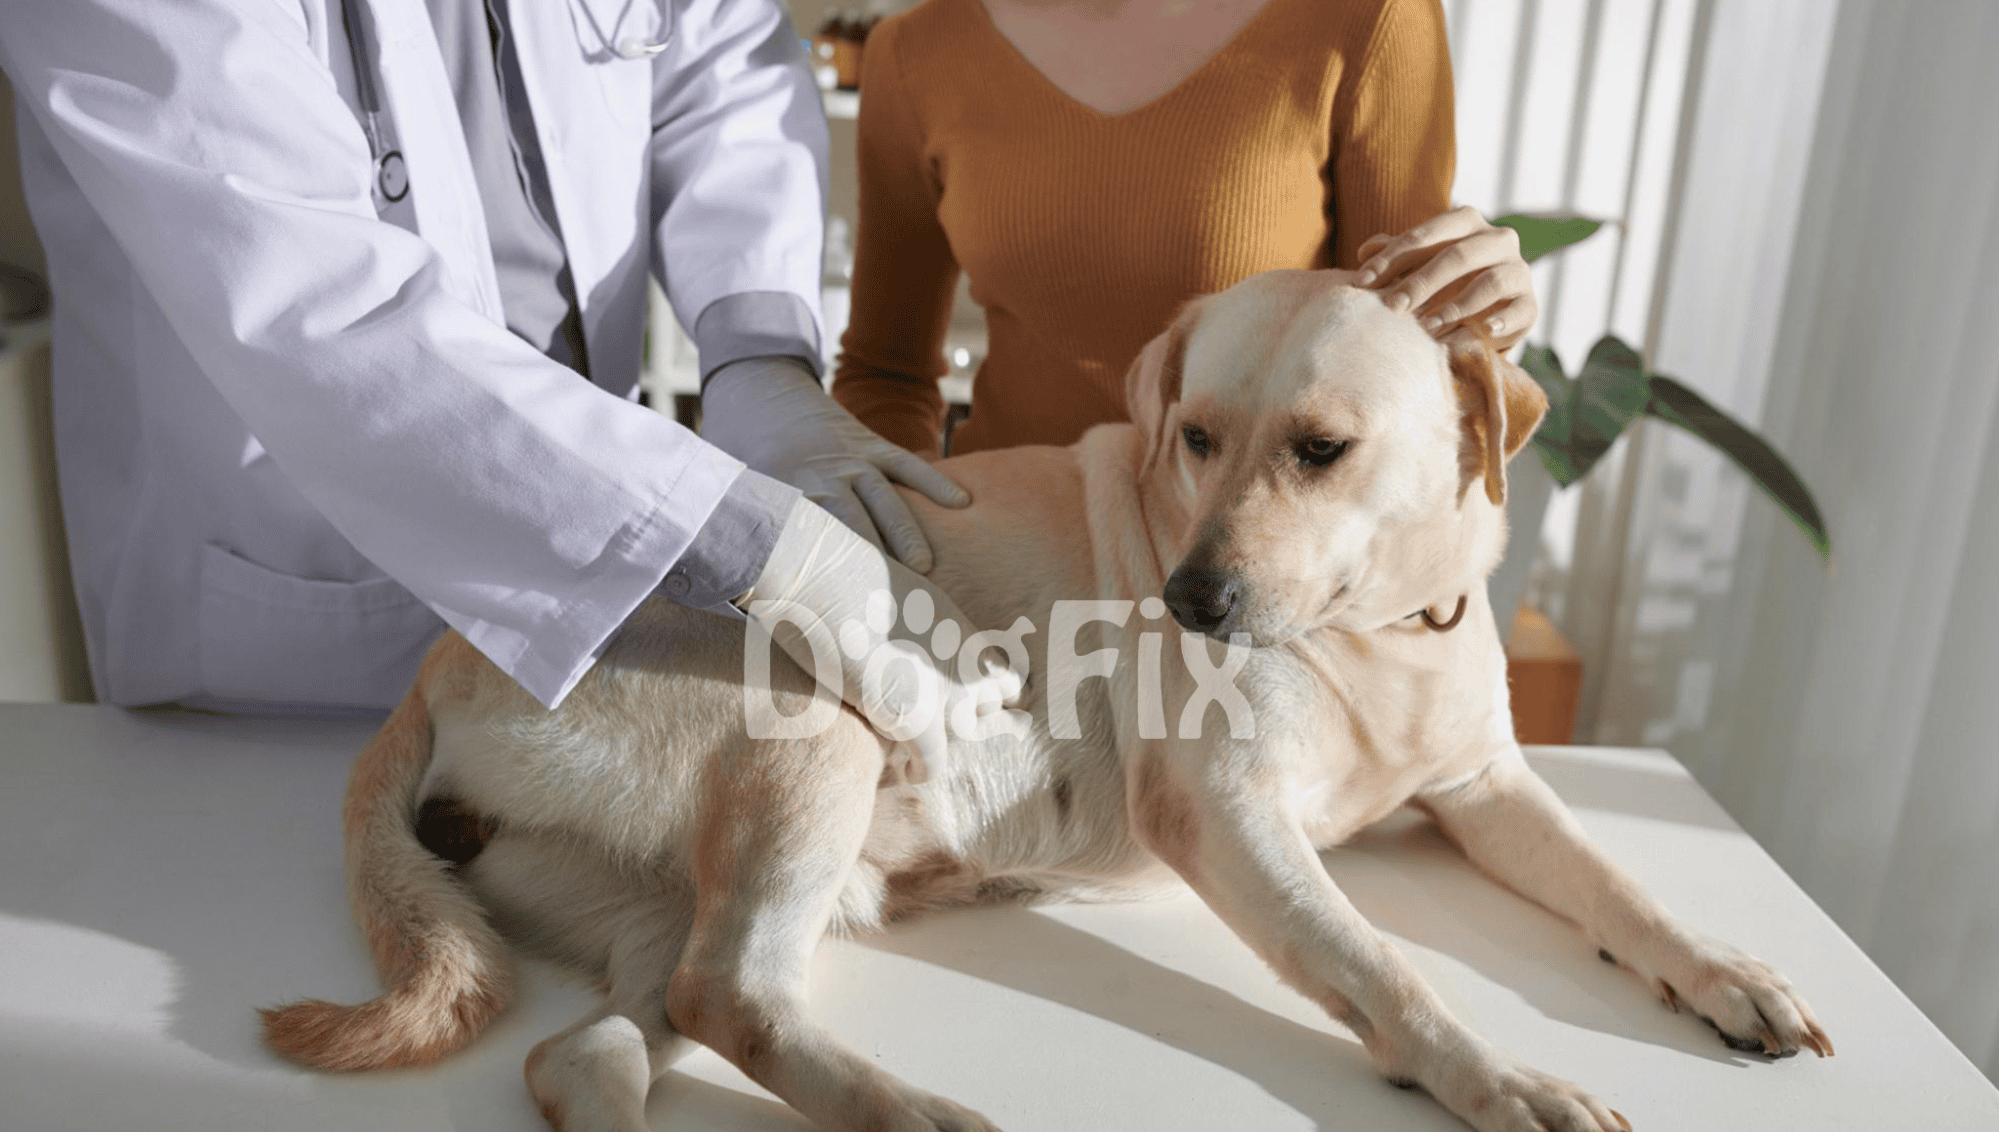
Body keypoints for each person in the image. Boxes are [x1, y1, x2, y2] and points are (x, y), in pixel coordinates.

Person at [0, 0, 1010, 778]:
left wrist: (756, 356)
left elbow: (721, 53)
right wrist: (733, 537)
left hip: (597, 632)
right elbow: (321, 311)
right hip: (288, 676)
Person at [832, 0, 1539, 457]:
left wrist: (1485, 315)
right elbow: (883, 376)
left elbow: (1402, 354)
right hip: (1009, 568)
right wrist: (910, 552)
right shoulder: (914, 52)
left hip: (1247, 589)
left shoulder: (1366, 16)